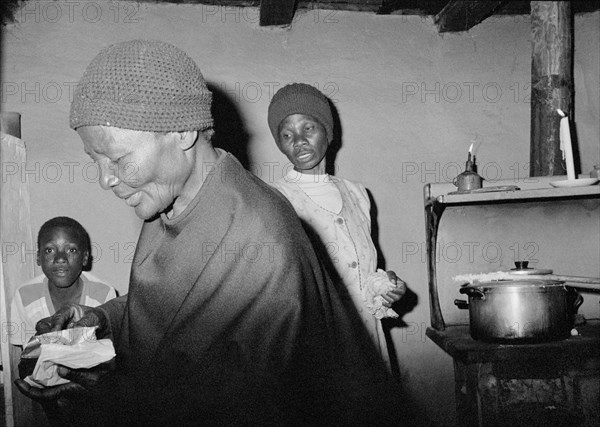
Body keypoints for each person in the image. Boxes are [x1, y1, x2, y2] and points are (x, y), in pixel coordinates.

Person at [15, 39, 407, 426]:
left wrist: (106, 395)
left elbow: (243, 406)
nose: (105, 178)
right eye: (94, 159)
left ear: (183, 132)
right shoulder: (169, 204)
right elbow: (178, 307)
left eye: (117, 158)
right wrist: (99, 319)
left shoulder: (261, 238)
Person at [267, 83, 407, 369]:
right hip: (316, 348)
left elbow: (361, 268)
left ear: (328, 132)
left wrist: (386, 286)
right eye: (286, 134)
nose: (298, 141)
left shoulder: (358, 194)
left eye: (308, 128)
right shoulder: (274, 199)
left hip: (369, 340)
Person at [10, 216, 117, 346]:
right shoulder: (24, 295)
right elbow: (27, 353)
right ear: (38, 257)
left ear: (85, 258)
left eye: (71, 250)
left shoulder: (103, 294)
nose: (60, 258)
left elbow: (108, 349)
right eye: (50, 250)